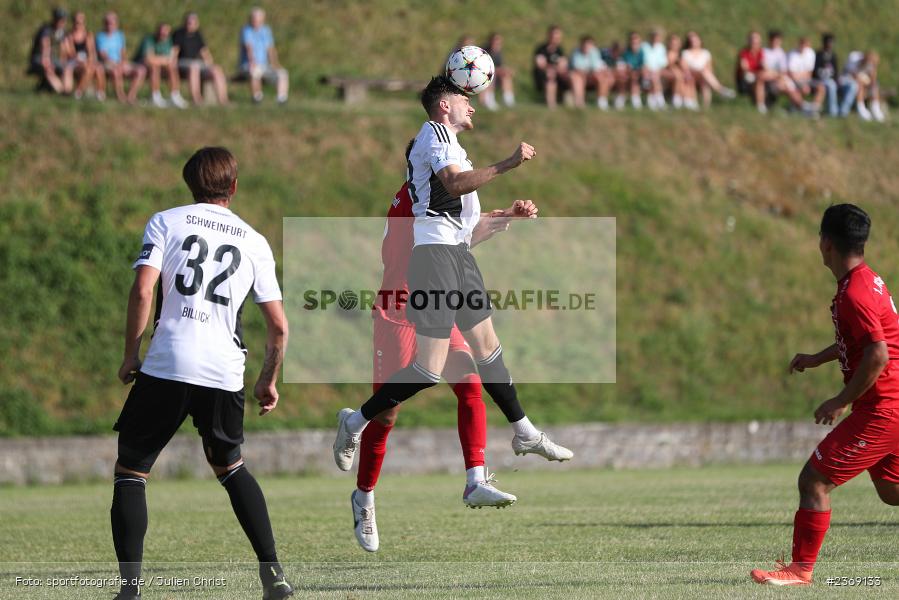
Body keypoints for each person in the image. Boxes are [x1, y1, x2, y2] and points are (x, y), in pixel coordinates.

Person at [332, 76, 572, 482]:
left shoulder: (452, 146)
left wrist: (505, 216)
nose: (472, 106)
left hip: (454, 257)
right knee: (429, 370)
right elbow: (454, 185)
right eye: (465, 99)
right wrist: (508, 163)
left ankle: (523, 431)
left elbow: (461, 224)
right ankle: (355, 422)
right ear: (445, 106)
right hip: (432, 266)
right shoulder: (435, 135)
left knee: (489, 352)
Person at [110, 147, 294, 600]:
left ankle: (130, 590)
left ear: (189, 183)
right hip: (222, 369)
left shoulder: (166, 221)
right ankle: (273, 577)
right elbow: (278, 326)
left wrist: (131, 353)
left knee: (132, 471)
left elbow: (143, 288)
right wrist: (268, 380)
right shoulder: (253, 240)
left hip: (169, 360)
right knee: (231, 467)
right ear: (234, 186)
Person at [352, 176, 541, 552]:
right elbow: (448, 240)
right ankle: (364, 497)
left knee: (470, 384)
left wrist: (506, 215)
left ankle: (475, 479)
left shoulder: (432, 192)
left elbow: (458, 235)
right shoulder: (415, 196)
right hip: (398, 309)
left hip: (435, 304)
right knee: (386, 414)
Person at [751, 204, 899, 586]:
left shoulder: (856, 293)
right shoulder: (866, 282)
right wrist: (818, 358)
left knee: (813, 480)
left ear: (826, 243)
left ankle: (799, 570)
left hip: (882, 409)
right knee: (892, 491)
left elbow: (878, 354)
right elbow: (863, 342)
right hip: (888, 404)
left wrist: (840, 400)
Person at [172, 12, 229, 106]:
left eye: (193, 23)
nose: (190, 25)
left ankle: (223, 100)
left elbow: (204, 52)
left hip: (197, 64)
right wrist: (172, 64)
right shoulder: (179, 34)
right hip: (182, 63)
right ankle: (197, 99)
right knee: (194, 67)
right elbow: (175, 51)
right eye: (189, 22)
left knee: (216, 69)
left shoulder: (198, 35)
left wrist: (210, 64)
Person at [239, 7, 288, 104]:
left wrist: (275, 63)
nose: (257, 23)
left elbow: (270, 49)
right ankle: (257, 98)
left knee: (282, 73)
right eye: (255, 20)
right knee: (255, 72)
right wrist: (252, 62)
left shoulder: (266, 30)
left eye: (259, 21)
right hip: (249, 64)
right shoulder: (246, 30)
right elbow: (249, 48)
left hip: (264, 65)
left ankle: (281, 99)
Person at [96, 12, 145, 104]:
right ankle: (120, 96)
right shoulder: (100, 36)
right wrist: (116, 64)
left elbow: (122, 52)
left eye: (112, 23)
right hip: (107, 63)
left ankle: (131, 96)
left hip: (119, 62)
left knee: (141, 70)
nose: (109, 25)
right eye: (107, 22)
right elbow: (103, 55)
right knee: (115, 71)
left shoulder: (120, 35)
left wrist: (123, 62)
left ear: (116, 24)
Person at [134, 23, 187, 109]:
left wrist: (162, 60)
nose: (163, 35)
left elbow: (172, 59)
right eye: (161, 32)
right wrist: (163, 60)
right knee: (155, 67)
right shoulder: (149, 40)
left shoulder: (169, 41)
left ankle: (175, 95)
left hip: (161, 66)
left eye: (165, 33)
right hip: (142, 65)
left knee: (171, 67)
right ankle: (155, 96)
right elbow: (148, 59)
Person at [756, 30, 807, 114]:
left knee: (790, 88)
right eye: (774, 40)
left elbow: (783, 71)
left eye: (777, 41)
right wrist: (775, 75)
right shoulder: (764, 51)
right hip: (769, 78)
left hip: (778, 78)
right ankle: (801, 107)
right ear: (770, 40)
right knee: (785, 86)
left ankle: (801, 107)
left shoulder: (781, 53)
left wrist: (776, 75)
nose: (775, 43)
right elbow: (764, 68)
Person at [680, 31, 735, 108]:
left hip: (704, 75)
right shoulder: (686, 53)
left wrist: (705, 72)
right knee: (704, 73)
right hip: (691, 74)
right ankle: (720, 89)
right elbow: (684, 67)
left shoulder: (705, 53)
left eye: (696, 40)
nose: (694, 43)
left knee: (705, 81)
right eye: (692, 41)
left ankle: (705, 106)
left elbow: (709, 67)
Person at [61, 11, 104, 100]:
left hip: (86, 60)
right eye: (77, 22)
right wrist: (81, 59)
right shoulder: (69, 36)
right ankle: (79, 92)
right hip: (74, 61)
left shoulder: (88, 35)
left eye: (81, 22)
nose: (79, 24)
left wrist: (90, 60)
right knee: (89, 68)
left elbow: (92, 52)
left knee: (99, 68)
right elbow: (70, 53)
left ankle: (100, 92)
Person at [812, 33, 855, 118]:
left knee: (853, 85)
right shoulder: (818, 55)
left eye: (832, 42)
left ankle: (844, 111)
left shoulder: (833, 56)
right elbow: (815, 72)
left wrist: (837, 79)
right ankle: (833, 112)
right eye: (828, 42)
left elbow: (836, 71)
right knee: (832, 85)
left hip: (833, 79)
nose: (830, 45)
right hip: (821, 80)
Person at [28, 7, 69, 94]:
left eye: (63, 20)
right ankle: (61, 92)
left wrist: (63, 61)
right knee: (48, 69)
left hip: (52, 58)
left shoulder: (62, 32)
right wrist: (46, 60)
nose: (62, 22)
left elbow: (63, 48)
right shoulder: (46, 30)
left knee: (66, 68)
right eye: (60, 20)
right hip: (39, 57)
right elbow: (45, 45)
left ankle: (67, 90)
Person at [569, 35, 612, 110]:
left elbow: (596, 68)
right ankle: (579, 102)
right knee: (577, 78)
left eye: (589, 45)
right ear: (581, 44)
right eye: (585, 44)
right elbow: (577, 69)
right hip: (578, 76)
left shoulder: (594, 52)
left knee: (603, 77)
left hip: (591, 75)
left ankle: (601, 100)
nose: (587, 47)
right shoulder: (576, 53)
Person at [533, 25, 569, 108]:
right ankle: (551, 105)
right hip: (543, 75)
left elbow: (563, 65)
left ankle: (575, 103)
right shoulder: (541, 49)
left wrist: (558, 69)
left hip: (557, 74)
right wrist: (553, 68)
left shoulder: (560, 50)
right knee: (550, 76)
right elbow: (540, 64)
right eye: (555, 36)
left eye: (558, 36)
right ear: (549, 36)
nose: (557, 38)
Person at [846, 51, 886, 122]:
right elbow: (853, 74)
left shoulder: (871, 64)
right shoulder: (854, 58)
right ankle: (861, 108)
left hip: (862, 80)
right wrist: (865, 81)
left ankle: (875, 108)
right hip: (848, 80)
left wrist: (872, 82)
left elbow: (873, 78)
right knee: (860, 85)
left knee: (875, 85)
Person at [662, 33, 695, 110]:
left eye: (676, 44)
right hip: (668, 75)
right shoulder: (668, 53)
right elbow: (669, 66)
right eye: (673, 44)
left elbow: (685, 66)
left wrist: (686, 73)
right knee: (678, 75)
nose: (674, 45)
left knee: (688, 78)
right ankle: (679, 99)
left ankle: (690, 99)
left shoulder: (680, 54)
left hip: (678, 74)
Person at [482, 33, 515, 109]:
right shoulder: (484, 52)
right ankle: (489, 100)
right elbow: (484, 67)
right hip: (484, 76)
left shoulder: (498, 53)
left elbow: (500, 65)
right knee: (491, 75)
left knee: (506, 75)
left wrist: (505, 70)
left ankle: (508, 100)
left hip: (495, 75)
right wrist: (498, 70)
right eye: (495, 42)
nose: (497, 44)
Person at [641, 29, 669, 110]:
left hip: (657, 70)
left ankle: (652, 100)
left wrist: (657, 71)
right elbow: (643, 60)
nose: (655, 39)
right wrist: (647, 69)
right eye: (654, 37)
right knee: (653, 78)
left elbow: (663, 63)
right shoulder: (644, 46)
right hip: (646, 70)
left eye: (657, 37)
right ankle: (659, 101)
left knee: (655, 77)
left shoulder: (661, 47)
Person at [619, 31, 645, 109]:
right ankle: (624, 97)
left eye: (636, 40)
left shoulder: (642, 52)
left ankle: (635, 98)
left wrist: (638, 72)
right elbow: (625, 65)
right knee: (625, 77)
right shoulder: (625, 52)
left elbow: (643, 65)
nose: (634, 42)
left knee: (636, 78)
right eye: (632, 40)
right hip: (628, 73)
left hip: (639, 73)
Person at [736, 30, 764, 98]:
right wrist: (757, 73)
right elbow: (744, 68)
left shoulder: (761, 52)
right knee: (759, 79)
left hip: (758, 74)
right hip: (746, 76)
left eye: (756, 41)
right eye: (753, 40)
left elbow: (764, 65)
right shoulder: (744, 52)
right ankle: (760, 103)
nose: (755, 43)